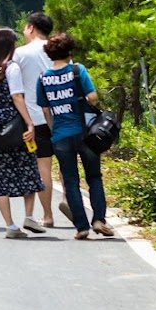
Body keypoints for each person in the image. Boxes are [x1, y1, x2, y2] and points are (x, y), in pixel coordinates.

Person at [36, 32, 111, 240]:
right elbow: (93, 97)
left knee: (71, 181)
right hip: (85, 133)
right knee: (94, 177)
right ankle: (98, 220)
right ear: (69, 51)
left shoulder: (43, 78)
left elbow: (45, 110)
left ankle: (81, 227)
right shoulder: (78, 71)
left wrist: (54, 130)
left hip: (60, 135)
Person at [0, 28, 44, 239]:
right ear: (10, 46)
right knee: (28, 169)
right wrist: (30, 123)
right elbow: (17, 98)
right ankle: (29, 216)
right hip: (14, 126)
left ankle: (10, 225)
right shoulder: (11, 68)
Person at [12, 11, 57, 233]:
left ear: (31, 28)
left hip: (34, 117)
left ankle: (47, 215)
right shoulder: (58, 50)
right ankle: (68, 201)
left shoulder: (20, 53)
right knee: (66, 164)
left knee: (42, 167)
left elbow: (13, 86)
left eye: (24, 28)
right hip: (61, 115)